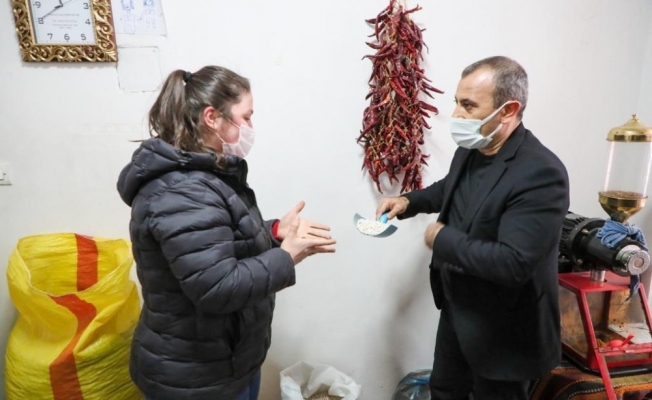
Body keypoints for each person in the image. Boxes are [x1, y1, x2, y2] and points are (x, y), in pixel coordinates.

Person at [117, 66, 337, 400]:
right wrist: (286, 256)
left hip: (223, 362)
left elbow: (220, 243)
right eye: (246, 117)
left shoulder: (203, 173)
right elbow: (217, 287)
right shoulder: (183, 191)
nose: (250, 127)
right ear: (212, 118)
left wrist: (275, 231)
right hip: (195, 379)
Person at [376, 56, 570, 400]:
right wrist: (409, 202)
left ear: (508, 110)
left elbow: (514, 263)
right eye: (457, 102)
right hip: (458, 309)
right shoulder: (473, 148)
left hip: (505, 329)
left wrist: (442, 239)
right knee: (445, 390)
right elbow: (452, 187)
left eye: (468, 105)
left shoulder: (541, 174)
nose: (456, 115)